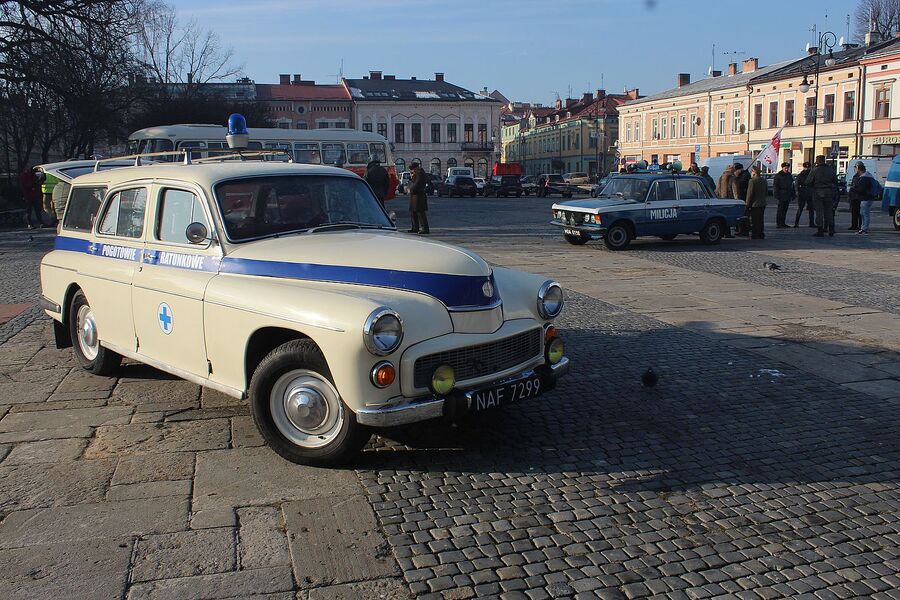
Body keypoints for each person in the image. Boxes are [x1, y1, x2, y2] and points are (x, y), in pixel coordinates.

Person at [807, 155, 837, 237]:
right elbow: (835, 181)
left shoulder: (814, 170)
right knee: (829, 211)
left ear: (817, 162)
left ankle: (820, 230)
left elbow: (808, 182)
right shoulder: (831, 170)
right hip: (829, 191)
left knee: (819, 212)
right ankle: (831, 229)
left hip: (818, 191)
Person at [854, 162, 878, 234]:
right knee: (863, 213)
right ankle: (863, 228)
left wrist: (854, 189)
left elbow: (861, 189)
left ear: (858, 169)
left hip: (865, 198)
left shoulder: (864, 178)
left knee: (865, 214)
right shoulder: (869, 176)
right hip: (868, 197)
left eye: (855, 168)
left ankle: (864, 229)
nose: (855, 170)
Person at [746, 164, 767, 239]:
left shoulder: (752, 181)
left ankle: (755, 234)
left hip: (754, 204)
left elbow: (750, 193)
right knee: (761, 220)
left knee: (754, 220)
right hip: (762, 203)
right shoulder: (764, 180)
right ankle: (761, 234)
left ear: (754, 172)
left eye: (752, 172)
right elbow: (766, 192)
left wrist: (747, 204)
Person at [407, 162, 429, 234]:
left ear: (416, 168)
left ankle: (424, 229)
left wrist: (411, 189)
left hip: (418, 196)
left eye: (412, 169)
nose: (411, 170)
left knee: (420, 213)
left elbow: (417, 183)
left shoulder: (420, 173)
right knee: (414, 213)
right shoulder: (416, 173)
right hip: (415, 196)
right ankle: (415, 227)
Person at [773, 162, 795, 228]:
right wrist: (776, 194)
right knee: (780, 210)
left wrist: (793, 194)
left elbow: (792, 185)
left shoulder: (789, 175)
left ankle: (783, 223)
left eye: (787, 168)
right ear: (782, 168)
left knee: (785, 210)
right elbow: (775, 186)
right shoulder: (778, 175)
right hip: (781, 194)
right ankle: (778, 223)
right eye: (785, 168)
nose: (786, 169)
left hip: (788, 194)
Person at [731, 163, 751, 236]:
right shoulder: (743, 175)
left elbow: (740, 185)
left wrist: (736, 178)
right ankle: (741, 230)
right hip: (741, 197)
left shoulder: (745, 175)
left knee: (743, 215)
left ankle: (744, 231)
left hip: (743, 198)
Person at [794, 161, 815, 227]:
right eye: (806, 167)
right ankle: (796, 223)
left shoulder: (812, 174)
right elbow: (796, 184)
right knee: (800, 208)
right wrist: (797, 192)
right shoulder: (801, 175)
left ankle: (811, 223)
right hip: (802, 192)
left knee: (811, 209)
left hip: (810, 192)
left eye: (808, 167)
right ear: (804, 167)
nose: (807, 169)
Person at [847, 165, 863, 230]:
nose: (854, 169)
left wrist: (853, 189)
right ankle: (854, 225)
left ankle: (858, 225)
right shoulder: (856, 176)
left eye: (855, 168)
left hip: (857, 197)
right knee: (854, 212)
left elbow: (855, 186)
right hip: (854, 197)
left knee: (858, 212)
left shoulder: (859, 176)